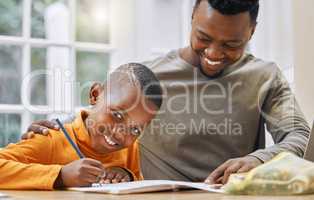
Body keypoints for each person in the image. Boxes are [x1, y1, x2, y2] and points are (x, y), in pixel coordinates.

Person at [25, 0, 310, 185]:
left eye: (232, 45)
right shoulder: (148, 79)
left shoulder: (265, 76)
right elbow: (104, 121)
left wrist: (257, 159)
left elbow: (300, 136)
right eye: (203, 37)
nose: (213, 53)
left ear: (252, 31)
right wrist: (58, 131)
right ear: (192, 19)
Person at [0, 63, 162, 190]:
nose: (120, 134)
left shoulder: (129, 147)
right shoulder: (51, 139)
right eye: (117, 115)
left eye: (135, 129)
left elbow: (138, 187)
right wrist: (60, 176)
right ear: (95, 95)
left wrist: (127, 176)